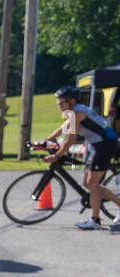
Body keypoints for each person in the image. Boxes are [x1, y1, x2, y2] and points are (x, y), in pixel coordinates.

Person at [44, 86, 120, 230]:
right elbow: (63, 129)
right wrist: (44, 140)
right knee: (89, 183)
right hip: (96, 145)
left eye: (61, 103)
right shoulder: (74, 111)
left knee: (92, 183)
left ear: (71, 101)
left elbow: (70, 140)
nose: (59, 106)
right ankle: (101, 216)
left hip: (105, 144)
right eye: (58, 103)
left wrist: (56, 155)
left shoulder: (76, 113)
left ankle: (96, 220)